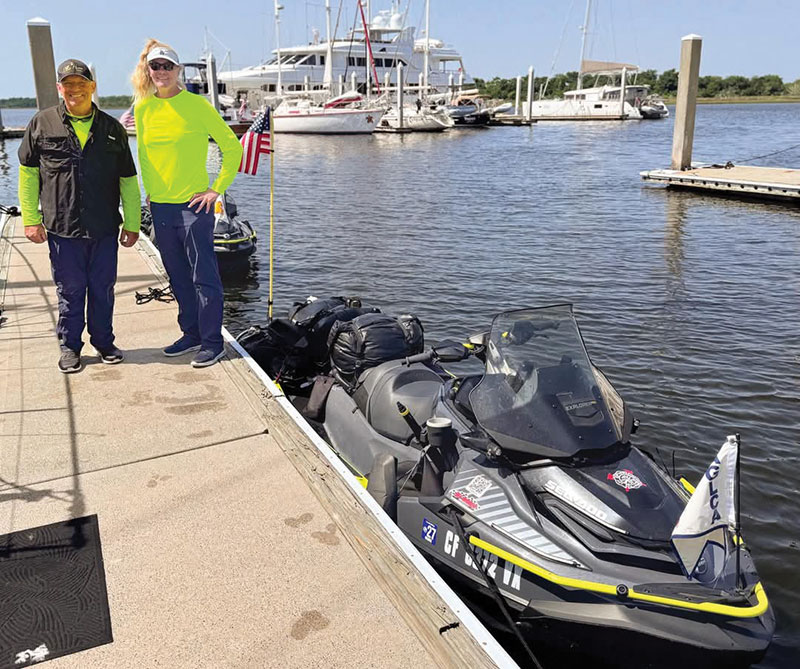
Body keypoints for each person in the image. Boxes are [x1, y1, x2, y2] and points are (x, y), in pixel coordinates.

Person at [17, 58, 140, 373]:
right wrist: (30, 219)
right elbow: (28, 175)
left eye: (81, 83)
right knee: (70, 291)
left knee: (103, 289)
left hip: (104, 226)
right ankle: (70, 347)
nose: (75, 89)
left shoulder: (112, 129)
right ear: (60, 88)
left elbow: (128, 179)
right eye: (68, 84)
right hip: (63, 228)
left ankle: (104, 342)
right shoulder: (42, 123)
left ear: (92, 87)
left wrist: (133, 223)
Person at [132, 40, 243, 368]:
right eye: (156, 66)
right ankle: (191, 333)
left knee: (203, 276)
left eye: (168, 66)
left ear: (178, 70)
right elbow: (145, 155)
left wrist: (216, 189)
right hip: (160, 206)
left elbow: (232, 148)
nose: (162, 71)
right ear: (149, 71)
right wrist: (150, 192)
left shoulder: (197, 106)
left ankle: (212, 342)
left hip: (194, 207)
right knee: (177, 275)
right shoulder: (143, 109)